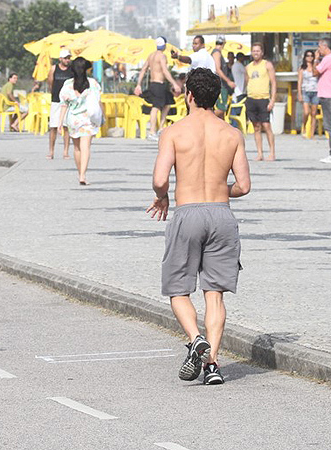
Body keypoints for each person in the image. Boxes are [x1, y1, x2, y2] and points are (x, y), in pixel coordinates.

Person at [146, 68, 251, 385]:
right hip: (221, 214)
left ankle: (195, 339)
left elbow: (160, 179)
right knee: (215, 295)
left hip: (188, 212)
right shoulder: (232, 134)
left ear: (188, 95)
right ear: (217, 97)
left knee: (178, 289)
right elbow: (243, 186)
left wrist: (162, 197)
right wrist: (221, 190)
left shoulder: (174, 132)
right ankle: (213, 366)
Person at [58, 57, 103, 185]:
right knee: (86, 147)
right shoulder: (93, 83)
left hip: (73, 120)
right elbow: (98, 101)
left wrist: (60, 122)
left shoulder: (67, 85)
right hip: (88, 119)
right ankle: (82, 175)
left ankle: (80, 173)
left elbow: (63, 105)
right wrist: (103, 116)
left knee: (77, 148)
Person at [134, 36, 182, 141]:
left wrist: (138, 84)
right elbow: (165, 71)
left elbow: (143, 70)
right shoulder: (162, 56)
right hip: (158, 84)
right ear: (164, 45)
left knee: (168, 103)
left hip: (155, 85)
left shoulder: (151, 56)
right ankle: (151, 132)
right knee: (155, 107)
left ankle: (160, 128)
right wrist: (174, 83)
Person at [246, 42, 277, 161]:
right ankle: (259, 153)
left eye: (258, 51)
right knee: (256, 127)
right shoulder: (248, 67)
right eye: (254, 51)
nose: (256, 53)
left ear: (262, 52)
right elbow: (247, 81)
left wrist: (272, 100)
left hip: (264, 98)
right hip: (251, 98)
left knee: (266, 126)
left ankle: (272, 152)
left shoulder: (267, 65)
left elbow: (273, 82)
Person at [47, 48, 73, 159]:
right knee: (53, 126)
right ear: (60, 59)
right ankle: (51, 151)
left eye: (69, 58)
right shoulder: (54, 69)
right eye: (66, 58)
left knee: (66, 127)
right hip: (56, 100)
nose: (67, 60)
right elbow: (50, 83)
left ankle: (66, 151)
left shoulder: (72, 70)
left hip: (68, 101)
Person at [314, 38, 331, 163]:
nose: (318, 50)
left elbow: (315, 72)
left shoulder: (328, 59)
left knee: (330, 125)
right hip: (330, 95)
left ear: (324, 46)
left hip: (328, 96)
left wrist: (316, 59)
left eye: (319, 47)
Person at [211, 36, 236, 119]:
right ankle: (206, 120)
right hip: (220, 85)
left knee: (222, 113)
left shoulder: (218, 53)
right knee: (221, 109)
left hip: (221, 85)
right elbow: (217, 69)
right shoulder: (217, 53)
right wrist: (228, 81)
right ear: (224, 43)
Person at [298, 50, 319, 139]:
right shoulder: (302, 68)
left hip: (315, 91)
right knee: (306, 112)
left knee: (314, 113)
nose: (309, 57)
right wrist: (299, 93)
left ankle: (312, 133)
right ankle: (304, 127)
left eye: (311, 56)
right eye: (308, 56)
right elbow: (299, 81)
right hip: (305, 91)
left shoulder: (316, 66)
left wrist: (316, 61)